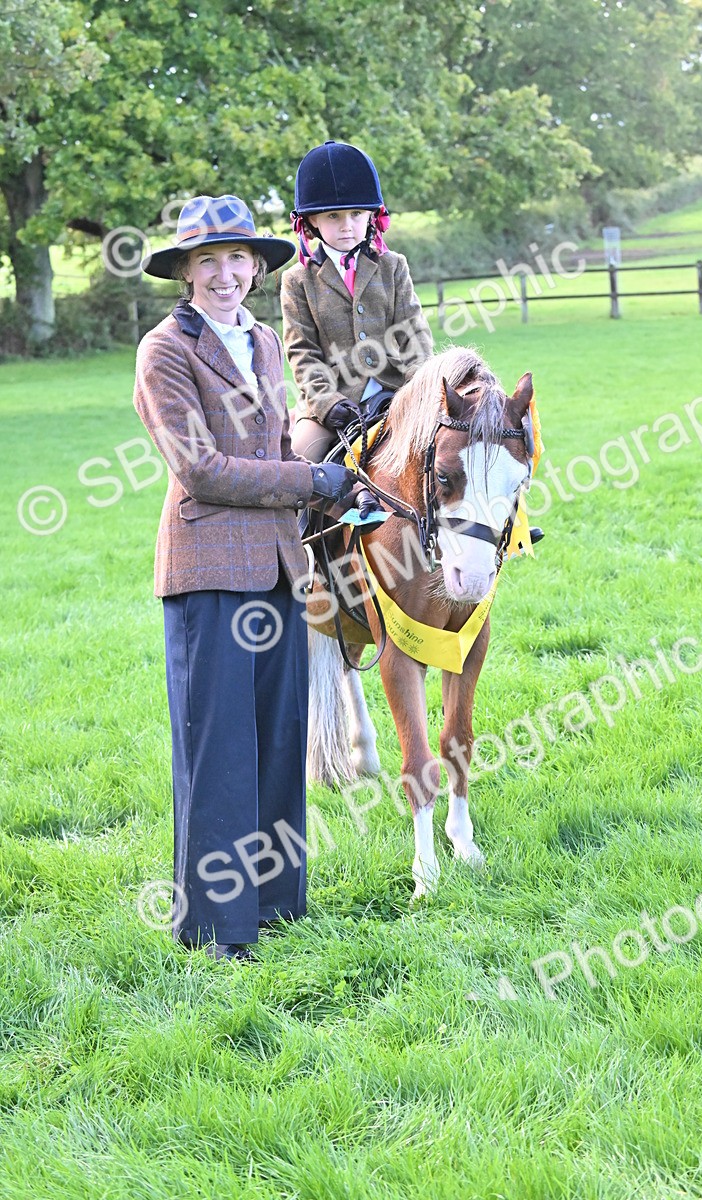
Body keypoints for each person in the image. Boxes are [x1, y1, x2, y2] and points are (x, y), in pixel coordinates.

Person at [133, 194, 357, 961]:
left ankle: (275, 905)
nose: (225, 274)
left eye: (237, 260)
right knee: (217, 747)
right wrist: (309, 483)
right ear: (186, 273)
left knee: (276, 737)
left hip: (277, 564)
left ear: (257, 269)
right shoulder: (164, 349)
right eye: (208, 261)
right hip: (206, 567)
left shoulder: (262, 341)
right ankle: (216, 929)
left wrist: (335, 477)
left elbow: (276, 444)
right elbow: (200, 469)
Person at [281, 140, 435, 463]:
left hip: (395, 394)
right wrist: (327, 402)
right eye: (334, 216)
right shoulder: (297, 281)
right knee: (296, 459)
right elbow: (302, 353)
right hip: (333, 405)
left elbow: (413, 334)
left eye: (355, 214)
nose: (347, 226)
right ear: (311, 221)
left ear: (370, 216)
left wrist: (419, 389)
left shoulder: (392, 266)